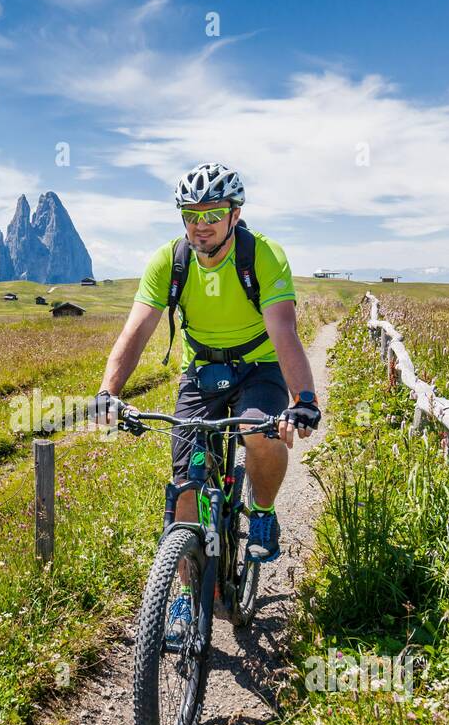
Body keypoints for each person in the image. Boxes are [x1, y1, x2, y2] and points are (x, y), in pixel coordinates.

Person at [94, 162, 321, 632]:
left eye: (213, 212)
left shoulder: (263, 256)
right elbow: (136, 330)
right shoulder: (169, 261)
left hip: (260, 365)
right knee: (186, 486)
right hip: (202, 370)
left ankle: (261, 511)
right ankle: (183, 593)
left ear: (235, 214)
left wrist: (302, 398)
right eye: (191, 213)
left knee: (256, 431)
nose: (201, 224)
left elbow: (283, 330)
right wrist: (107, 393)